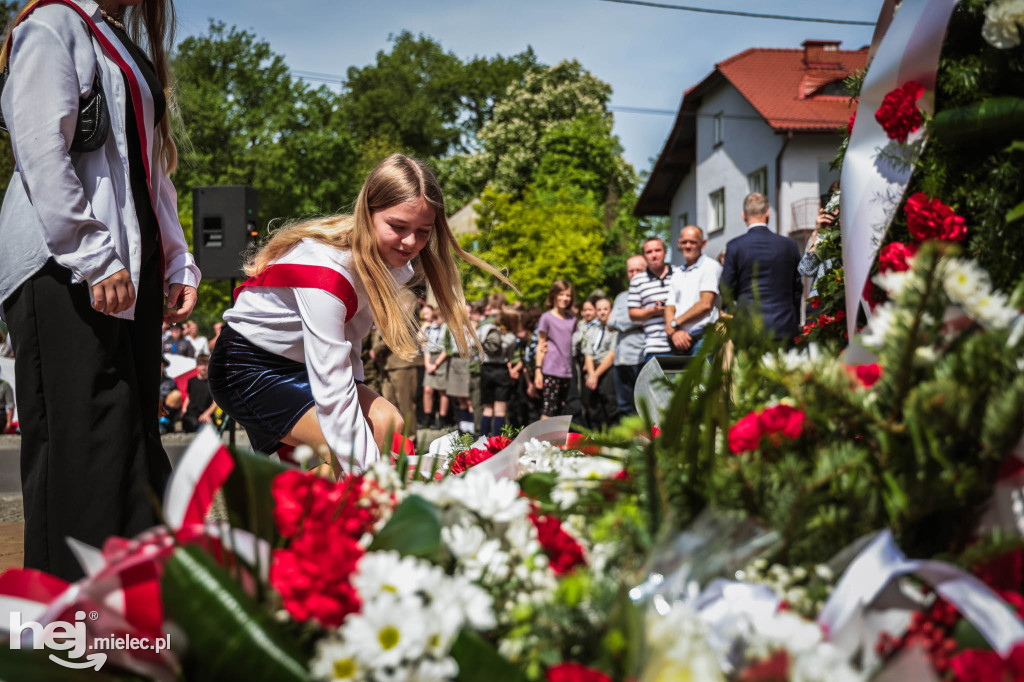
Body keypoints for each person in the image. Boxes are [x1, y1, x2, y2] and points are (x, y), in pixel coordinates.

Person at [0, 0, 199, 581]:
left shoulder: (116, 38)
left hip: (118, 267)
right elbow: (40, 149)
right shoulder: (53, 25)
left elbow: (148, 170)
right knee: (84, 443)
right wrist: (91, 253)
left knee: (128, 434)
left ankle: (127, 613)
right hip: (62, 268)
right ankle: (68, 628)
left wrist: (177, 258)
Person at [209, 154, 508, 475]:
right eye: (397, 226)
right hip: (246, 369)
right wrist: (372, 479)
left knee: (388, 425)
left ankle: (326, 509)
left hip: (302, 365)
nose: (411, 242)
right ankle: (344, 511)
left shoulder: (388, 263)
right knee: (355, 445)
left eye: (423, 231)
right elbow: (334, 390)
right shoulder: (327, 273)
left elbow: (350, 349)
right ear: (368, 213)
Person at [721, 193, 802, 345]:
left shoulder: (735, 246)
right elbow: (797, 288)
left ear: (743, 215)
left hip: (749, 326)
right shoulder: (789, 245)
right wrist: (794, 319)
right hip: (784, 324)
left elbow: (726, 287)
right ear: (767, 213)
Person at [664, 225, 722, 357]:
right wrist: (674, 332)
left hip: (704, 337)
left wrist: (674, 323)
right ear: (679, 243)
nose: (687, 246)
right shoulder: (677, 272)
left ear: (703, 243)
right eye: (684, 242)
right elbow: (669, 307)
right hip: (680, 340)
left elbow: (705, 304)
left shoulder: (710, 266)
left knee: (703, 377)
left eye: (693, 242)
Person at [609, 255, 646, 418]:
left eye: (638, 270)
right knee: (624, 407)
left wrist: (622, 321)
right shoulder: (621, 297)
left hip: (640, 356)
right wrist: (635, 319)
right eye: (631, 271)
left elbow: (618, 321)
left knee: (643, 406)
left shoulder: (649, 294)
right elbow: (610, 323)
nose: (634, 274)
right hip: (620, 358)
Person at [535, 280, 578, 420]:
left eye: (568, 295)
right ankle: (541, 441)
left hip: (566, 371)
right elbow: (541, 345)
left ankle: (556, 442)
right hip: (551, 369)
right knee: (548, 409)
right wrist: (538, 370)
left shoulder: (572, 319)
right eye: (561, 294)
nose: (565, 298)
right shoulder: (546, 318)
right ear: (554, 295)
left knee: (561, 411)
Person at [629, 237, 675, 363]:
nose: (654, 255)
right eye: (649, 252)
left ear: (665, 252)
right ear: (644, 256)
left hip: (682, 343)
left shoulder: (679, 273)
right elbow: (633, 314)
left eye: (657, 250)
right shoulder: (637, 280)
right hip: (655, 346)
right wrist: (652, 311)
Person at [478, 309, 518, 437]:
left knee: (487, 409)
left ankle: (482, 440)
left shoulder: (486, 329)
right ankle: (496, 442)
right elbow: (510, 356)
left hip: (486, 370)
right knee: (500, 410)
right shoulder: (511, 337)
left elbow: (475, 344)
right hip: (501, 371)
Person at [583, 297, 617, 429]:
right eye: (599, 309)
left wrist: (595, 375)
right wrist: (592, 374)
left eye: (605, 309)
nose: (602, 312)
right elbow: (588, 354)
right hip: (593, 370)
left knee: (610, 404)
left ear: (610, 310)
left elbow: (611, 355)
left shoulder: (614, 329)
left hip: (607, 369)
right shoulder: (592, 329)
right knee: (594, 406)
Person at [421, 311, 450, 430]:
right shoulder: (431, 328)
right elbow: (424, 344)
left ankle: (442, 419)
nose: (436, 321)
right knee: (427, 389)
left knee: (442, 390)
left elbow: (448, 348)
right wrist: (427, 363)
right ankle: (428, 417)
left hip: (442, 359)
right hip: (430, 357)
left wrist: (436, 364)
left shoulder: (447, 329)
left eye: (437, 318)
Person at [181, 354, 218, 432]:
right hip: (191, 414)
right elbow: (188, 396)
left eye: (205, 364)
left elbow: (216, 402)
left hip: (207, 414)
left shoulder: (213, 382)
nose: (203, 367)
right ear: (197, 366)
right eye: (200, 364)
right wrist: (184, 409)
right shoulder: (191, 381)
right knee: (193, 424)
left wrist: (207, 414)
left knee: (209, 427)